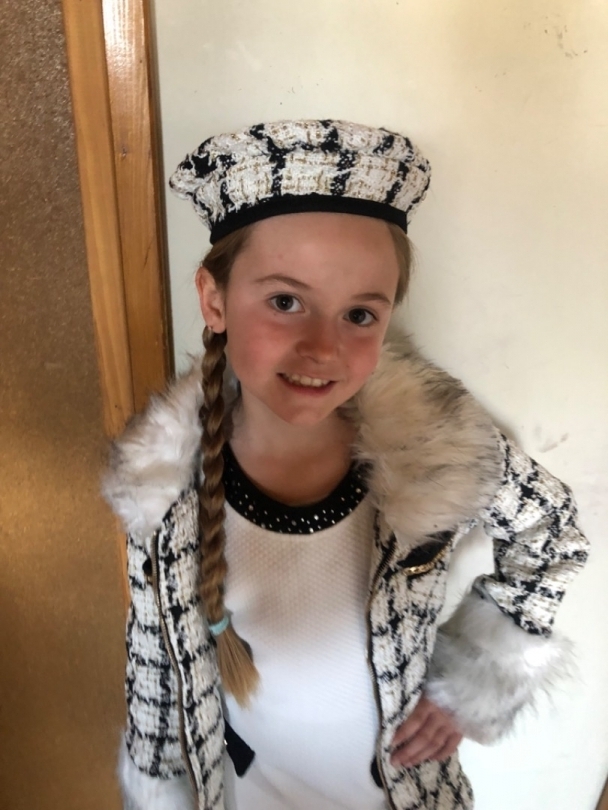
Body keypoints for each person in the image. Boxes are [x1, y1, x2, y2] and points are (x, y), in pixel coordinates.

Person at [103, 120, 589, 810]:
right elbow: (154, 663)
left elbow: (551, 531)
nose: (322, 349)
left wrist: (475, 681)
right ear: (214, 300)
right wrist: (157, 791)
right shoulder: (161, 487)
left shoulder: (436, 445)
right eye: (285, 301)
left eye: (359, 314)